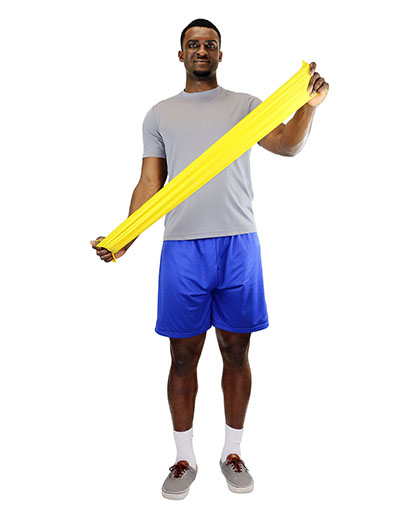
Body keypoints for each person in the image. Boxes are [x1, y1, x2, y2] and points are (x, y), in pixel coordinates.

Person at [90, 18, 329, 499]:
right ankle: (184, 459)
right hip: (183, 247)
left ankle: (232, 453)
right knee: (182, 356)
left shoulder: (246, 106)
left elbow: (288, 145)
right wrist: (124, 237)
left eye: (210, 44)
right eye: (193, 44)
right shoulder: (159, 114)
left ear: (221, 54)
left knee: (237, 351)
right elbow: (150, 183)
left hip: (238, 243)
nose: (202, 50)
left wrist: (307, 106)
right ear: (181, 54)